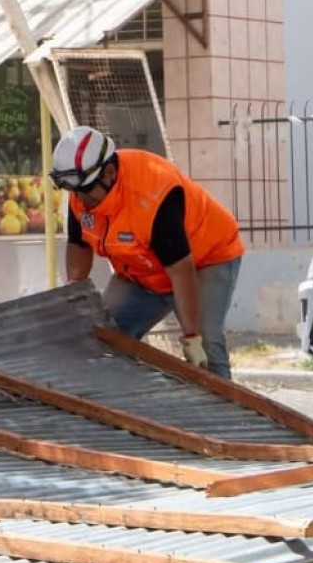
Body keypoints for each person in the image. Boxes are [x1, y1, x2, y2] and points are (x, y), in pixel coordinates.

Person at [51, 125, 245, 378]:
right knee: (105, 335)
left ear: (109, 172)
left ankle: (226, 413)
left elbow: (180, 270)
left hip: (203, 261)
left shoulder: (153, 193)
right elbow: (79, 245)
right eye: (73, 191)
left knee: (207, 345)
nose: (80, 199)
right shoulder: (82, 193)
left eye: (85, 190)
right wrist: (75, 293)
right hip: (143, 269)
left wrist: (191, 336)